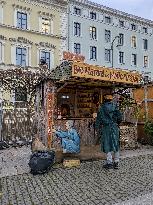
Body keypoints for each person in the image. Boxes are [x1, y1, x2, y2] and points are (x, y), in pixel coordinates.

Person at [95, 94, 122, 169]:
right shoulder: (115, 106)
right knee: (116, 144)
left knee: (107, 144)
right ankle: (116, 162)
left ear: (104, 100)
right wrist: (117, 123)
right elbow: (120, 117)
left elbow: (98, 120)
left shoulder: (101, 108)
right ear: (110, 100)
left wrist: (97, 128)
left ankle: (109, 162)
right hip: (114, 127)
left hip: (106, 128)